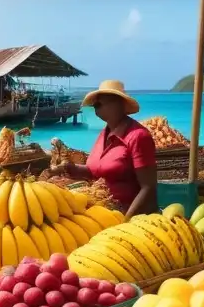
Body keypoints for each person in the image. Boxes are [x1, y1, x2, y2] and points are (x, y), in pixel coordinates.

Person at [54, 80, 157, 218]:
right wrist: (69, 167)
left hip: (130, 217)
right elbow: (95, 171)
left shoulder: (138, 136)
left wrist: (125, 221)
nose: (95, 108)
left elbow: (148, 187)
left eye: (98, 104)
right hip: (103, 212)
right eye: (94, 105)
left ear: (118, 104)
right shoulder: (104, 133)